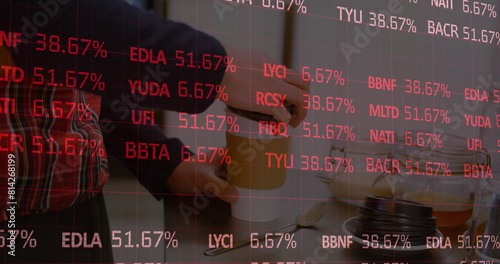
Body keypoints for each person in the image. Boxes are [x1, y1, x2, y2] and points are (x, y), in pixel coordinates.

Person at [0, 0, 309, 262]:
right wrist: (217, 68)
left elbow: (81, 76)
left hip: (79, 205)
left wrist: (168, 162)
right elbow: (49, 20)